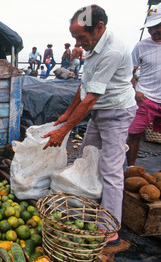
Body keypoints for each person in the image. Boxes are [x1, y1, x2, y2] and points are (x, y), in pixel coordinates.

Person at [41, 5, 137, 245]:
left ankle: (110, 227)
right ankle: (88, 205)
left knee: (111, 167)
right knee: (86, 156)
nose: (77, 42)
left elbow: (92, 96)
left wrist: (64, 131)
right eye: (75, 37)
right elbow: (84, 86)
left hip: (116, 111)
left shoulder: (112, 50)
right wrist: (67, 113)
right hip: (99, 111)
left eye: (80, 37)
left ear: (100, 28)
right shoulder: (93, 45)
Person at [127, 4, 161, 167]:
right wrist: (134, 92)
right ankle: (130, 168)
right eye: (150, 28)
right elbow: (129, 72)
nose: (153, 31)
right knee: (134, 135)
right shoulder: (141, 46)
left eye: (156, 26)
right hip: (145, 98)